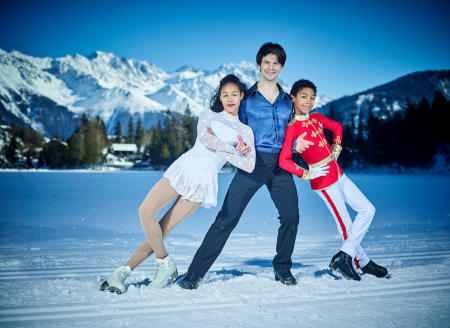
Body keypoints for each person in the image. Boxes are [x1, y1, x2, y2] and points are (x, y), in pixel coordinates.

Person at [100, 75, 256, 293]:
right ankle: (164, 262)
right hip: (183, 169)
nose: (229, 98)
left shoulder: (245, 130)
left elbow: (249, 165)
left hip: (203, 181)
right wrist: (233, 149)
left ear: (242, 96)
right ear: (219, 97)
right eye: (224, 94)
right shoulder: (208, 115)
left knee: (162, 230)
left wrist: (237, 151)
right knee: (145, 212)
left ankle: (122, 273)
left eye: (234, 94)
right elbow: (206, 139)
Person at [178, 42, 313, 289]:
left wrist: (299, 145)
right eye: (266, 62)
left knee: (291, 217)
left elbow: (295, 130)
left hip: (282, 166)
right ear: (259, 65)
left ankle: (282, 268)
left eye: (276, 63)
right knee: (227, 218)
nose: (271, 67)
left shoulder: (288, 101)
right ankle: (194, 273)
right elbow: (228, 124)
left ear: (281, 66)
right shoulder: (247, 99)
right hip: (253, 164)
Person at [279, 79, 388, 280]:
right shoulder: (292, 128)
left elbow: (337, 127)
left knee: (368, 209)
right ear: (293, 98)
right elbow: (284, 160)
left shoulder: (317, 118)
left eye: (312, 97)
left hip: (338, 173)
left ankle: (349, 257)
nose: (309, 101)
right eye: (304, 97)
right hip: (323, 181)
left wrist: (336, 148)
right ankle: (360, 262)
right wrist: (307, 173)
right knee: (345, 223)